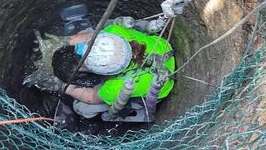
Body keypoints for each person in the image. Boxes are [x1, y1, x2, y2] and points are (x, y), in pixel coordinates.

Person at [35, 23, 175, 118]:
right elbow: (86, 38)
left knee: (82, 108)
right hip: (164, 49)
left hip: (162, 88)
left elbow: (91, 98)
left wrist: (66, 88)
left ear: (104, 73)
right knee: (89, 33)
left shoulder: (114, 88)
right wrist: (62, 45)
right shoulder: (115, 32)